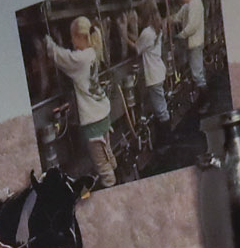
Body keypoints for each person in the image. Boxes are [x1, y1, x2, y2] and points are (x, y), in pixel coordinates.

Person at [47, 17, 119, 187]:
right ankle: (116, 170)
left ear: (80, 37)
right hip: (102, 113)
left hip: (92, 119)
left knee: (100, 163)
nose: (71, 41)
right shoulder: (92, 52)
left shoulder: (80, 59)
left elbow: (61, 57)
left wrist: (47, 42)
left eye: (72, 37)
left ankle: (112, 185)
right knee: (106, 150)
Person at [135, 10, 170, 126]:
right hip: (158, 71)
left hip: (154, 75)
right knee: (160, 105)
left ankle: (167, 138)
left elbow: (137, 49)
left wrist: (124, 36)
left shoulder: (147, 32)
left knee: (161, 110)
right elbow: (141, 42)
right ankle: (166, 133)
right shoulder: (155, 30)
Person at [178, 0, 208, 92]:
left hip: (195, 42)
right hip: (193, 43)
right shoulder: (188, 5)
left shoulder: (195, 3)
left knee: (197, 72)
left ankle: (205, 98)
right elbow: (178, 17)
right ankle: (203, 95)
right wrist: (169, 19)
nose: (180, 0)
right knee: (198, 69)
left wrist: (181, 35)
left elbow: (192, 26)